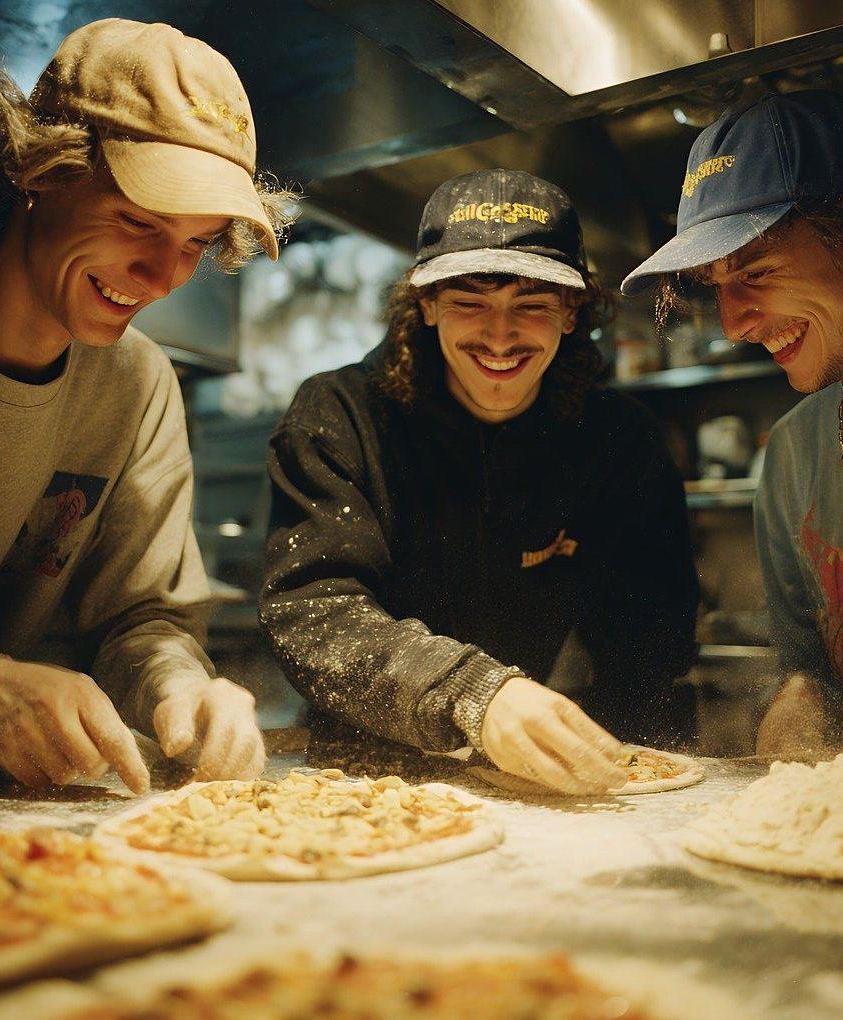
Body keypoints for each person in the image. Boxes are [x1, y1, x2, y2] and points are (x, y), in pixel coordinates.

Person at [0, 19, 292, 791]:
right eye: (139, 221)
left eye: (196, 244)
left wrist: (178, 689)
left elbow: (141, 617)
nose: (163, 277)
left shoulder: (139, 383)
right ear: (38, 169)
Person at [260, 169, 699, 794]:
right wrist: (473, 695)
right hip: (356, 781)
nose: (500, 335)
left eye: (532, 305)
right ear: (427, 304)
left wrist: (633, 778)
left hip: (533, 781)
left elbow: (649, 650)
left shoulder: (619, 441)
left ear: (572, 312)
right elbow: (315, 613)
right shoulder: (337, 416)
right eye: (470, 301)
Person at [620, 89, 843, 809]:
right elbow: (811, 673)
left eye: (756, 273)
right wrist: (798, 707)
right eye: (713, 286)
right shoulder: (791, 455)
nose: (732, 324)